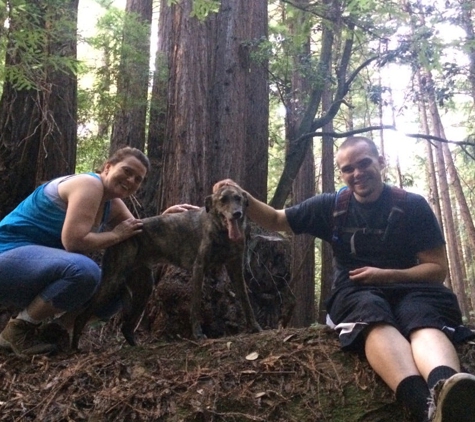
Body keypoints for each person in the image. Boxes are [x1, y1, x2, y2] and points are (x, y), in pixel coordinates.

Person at [214, 136, 475, 422]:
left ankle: (448, 393)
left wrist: (387, 275)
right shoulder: (331, 206)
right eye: (348, 169)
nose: (357, 173)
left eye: (364, 164)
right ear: (341, 173)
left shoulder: (412, 205)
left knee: (423, 317)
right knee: (372, 317)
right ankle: (424, 407)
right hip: (356, 291)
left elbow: (437, 269)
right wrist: (241, 196)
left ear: (381, 162)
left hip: (413, 287)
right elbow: (277, 220)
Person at [0, 146, 198, 356]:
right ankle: (18, 330)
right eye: (126, 171)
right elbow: (74, 242)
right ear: (107, 167)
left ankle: (53, 333)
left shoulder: (112, 204)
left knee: (120, 287)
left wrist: (166, 219)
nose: (131, 180)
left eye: (138, 179)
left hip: (33, 271)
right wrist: (116, 235)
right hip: (7, 255)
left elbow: (138, 234)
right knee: (84, 270)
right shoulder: (89, 184)